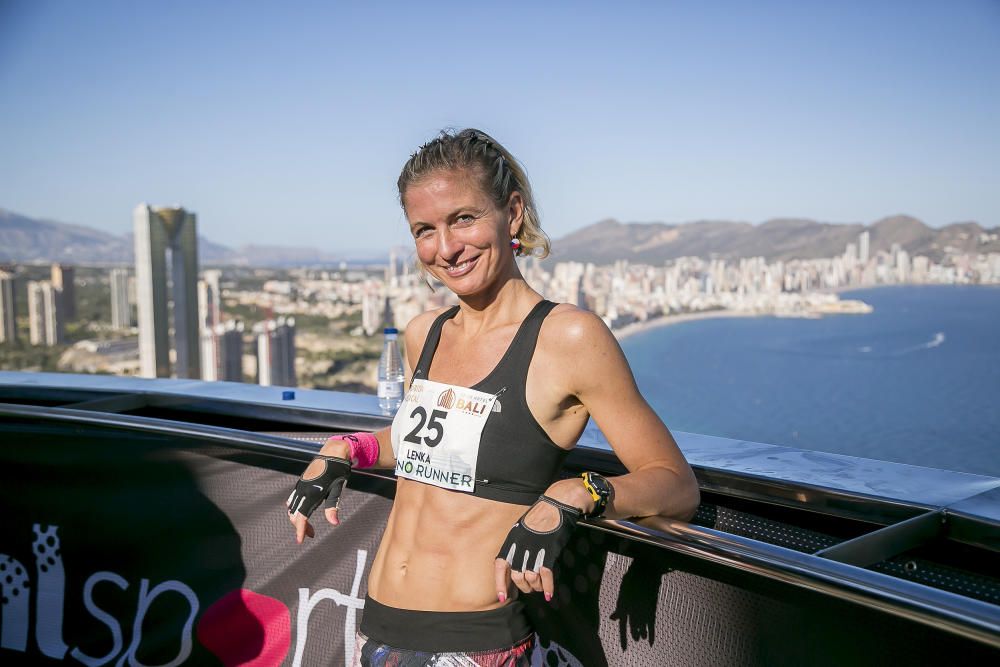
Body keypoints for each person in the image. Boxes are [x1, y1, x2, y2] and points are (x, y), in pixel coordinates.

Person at [287, 128, 700, 666]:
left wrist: (576, 493)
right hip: (380, 627)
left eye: (463, 218)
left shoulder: (568, 338)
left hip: (474, 643)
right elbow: (425, 445)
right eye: (424, 230)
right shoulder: (425, 333)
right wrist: (349, 449)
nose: (446, 248)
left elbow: (675, 482)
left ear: (513, 212)